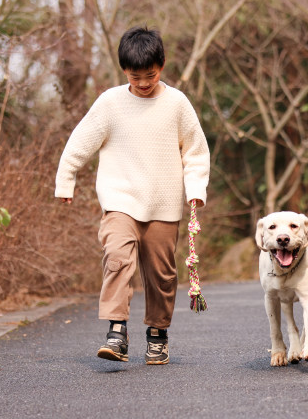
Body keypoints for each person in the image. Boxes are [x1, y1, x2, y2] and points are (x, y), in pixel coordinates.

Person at [55, 26, 210, 365]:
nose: (142, 83)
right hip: (119, 200)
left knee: (162, 274)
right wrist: (65, 181)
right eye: (135, 76)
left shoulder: (177, 104)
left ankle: (157, 333)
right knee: (117, 258)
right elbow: (80, 143)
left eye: (150, 75)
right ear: (124, 71)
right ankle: (116, 330)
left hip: (163, 204)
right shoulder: (110, 103)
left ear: (163, 65)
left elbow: (196, 152)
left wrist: (196, 190)